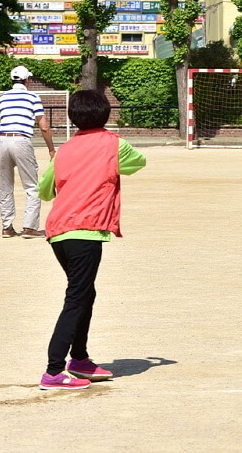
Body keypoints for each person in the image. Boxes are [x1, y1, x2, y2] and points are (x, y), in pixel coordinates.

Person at [37, 90, 147, 390]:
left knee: (85, 293)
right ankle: (54, 370)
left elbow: (45, 191)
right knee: (77, 297)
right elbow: (138, 162)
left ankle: (80, 359)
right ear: (106, 114)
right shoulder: (114, 144)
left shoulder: (65, 150)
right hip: (85, 231)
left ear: (72, 117)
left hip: (59, 232)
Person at [0, 65, 56, 238]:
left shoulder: (2, 98)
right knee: (31, 186)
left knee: (5, 185)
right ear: (27, 80)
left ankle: (7, 227)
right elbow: (44, 127)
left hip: (1, 140)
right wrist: (51, 149)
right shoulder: (32, 97)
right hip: (21, 140)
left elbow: (1, 119)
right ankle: (29, 227)